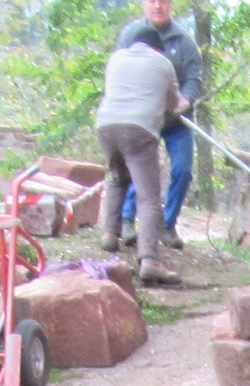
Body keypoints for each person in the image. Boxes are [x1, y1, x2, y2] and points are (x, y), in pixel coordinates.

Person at [115, 0, 203, 251]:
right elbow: (119, 69)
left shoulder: (184, 41)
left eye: (163, 1)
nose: (158, 6)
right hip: (143, 118)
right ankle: (127, 220)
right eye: (152, 1)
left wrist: (185, 101)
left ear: (171, 5)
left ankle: (167, 225)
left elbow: (194, 78)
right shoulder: (130, 35)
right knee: (138, 168)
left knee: (183, 170)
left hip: (177, 120)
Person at [95, 37, 184, 282]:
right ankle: (150, 260)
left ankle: (109, 235)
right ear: (157, 47)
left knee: (117, 178)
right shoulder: (163, 63)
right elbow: (173, 104)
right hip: (139, 128)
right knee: (148, 197)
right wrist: (181, 105)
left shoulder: (116, 58)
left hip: (106, 125)